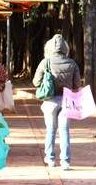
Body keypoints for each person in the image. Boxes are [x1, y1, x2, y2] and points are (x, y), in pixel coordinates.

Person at [33, 34, 81, 170]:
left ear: (49, 47)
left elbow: (35, 82)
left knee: (50, 130)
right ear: (65, 47)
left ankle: (50, 159)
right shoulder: (72, 63)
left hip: (50, 101)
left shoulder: (45, 62)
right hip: (66, 100)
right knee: (65, 131)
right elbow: (77, 84)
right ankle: (65, 162)